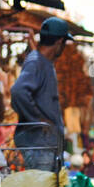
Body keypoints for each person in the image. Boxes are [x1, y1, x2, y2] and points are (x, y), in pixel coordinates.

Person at [9, 17, 73, 171]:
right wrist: (38, 119)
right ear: (59, 42)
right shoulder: (36, 62)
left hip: (44, 144)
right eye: (64, 43)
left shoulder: (43, 63)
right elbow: (18, 91)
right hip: (38, 144)